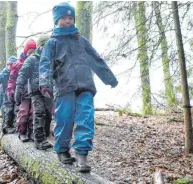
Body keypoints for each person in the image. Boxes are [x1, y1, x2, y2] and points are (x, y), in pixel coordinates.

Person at [39, 2, 118, 172]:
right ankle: (62, 149)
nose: (67, 21)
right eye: (63, 18)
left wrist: (109, 78)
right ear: (56, 21)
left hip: (85, 85)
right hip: (64, 87)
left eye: (70, 18)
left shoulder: (81, 40)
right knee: (64, 119)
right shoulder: (52, 44)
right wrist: (45, 84)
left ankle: (82, 154)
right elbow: (44, 65)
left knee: (86, 119)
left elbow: (96, 59)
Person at [15, 34, 53, 150]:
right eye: (44, 46)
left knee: (48, 114)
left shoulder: (51, 60)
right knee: (39, 112)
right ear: (40, 47)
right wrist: (19, 89)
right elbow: (22, 74)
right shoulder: (32, 59)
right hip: (36, 91)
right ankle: (39, 140)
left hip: (49, 91)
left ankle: (44, 136)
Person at [7, 40, 36, 142]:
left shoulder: (36, 61)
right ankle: (22, 132)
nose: (31, 54)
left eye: (33, 52)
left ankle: (32, 132)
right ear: (25, 51)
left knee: (34, 113)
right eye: (29, 52)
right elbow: (12, 79)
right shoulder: (18, 64)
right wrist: (10, 91)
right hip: (23, 93)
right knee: (23, 112)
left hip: (34, 92)